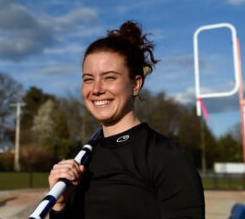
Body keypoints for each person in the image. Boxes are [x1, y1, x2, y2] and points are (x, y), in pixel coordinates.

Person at [48, 21, 205, 219]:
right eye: (88, 79)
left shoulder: (165, 156)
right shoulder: (79, 160)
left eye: (110, 77)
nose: (96, 89)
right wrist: (60, 206)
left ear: (135, 84)